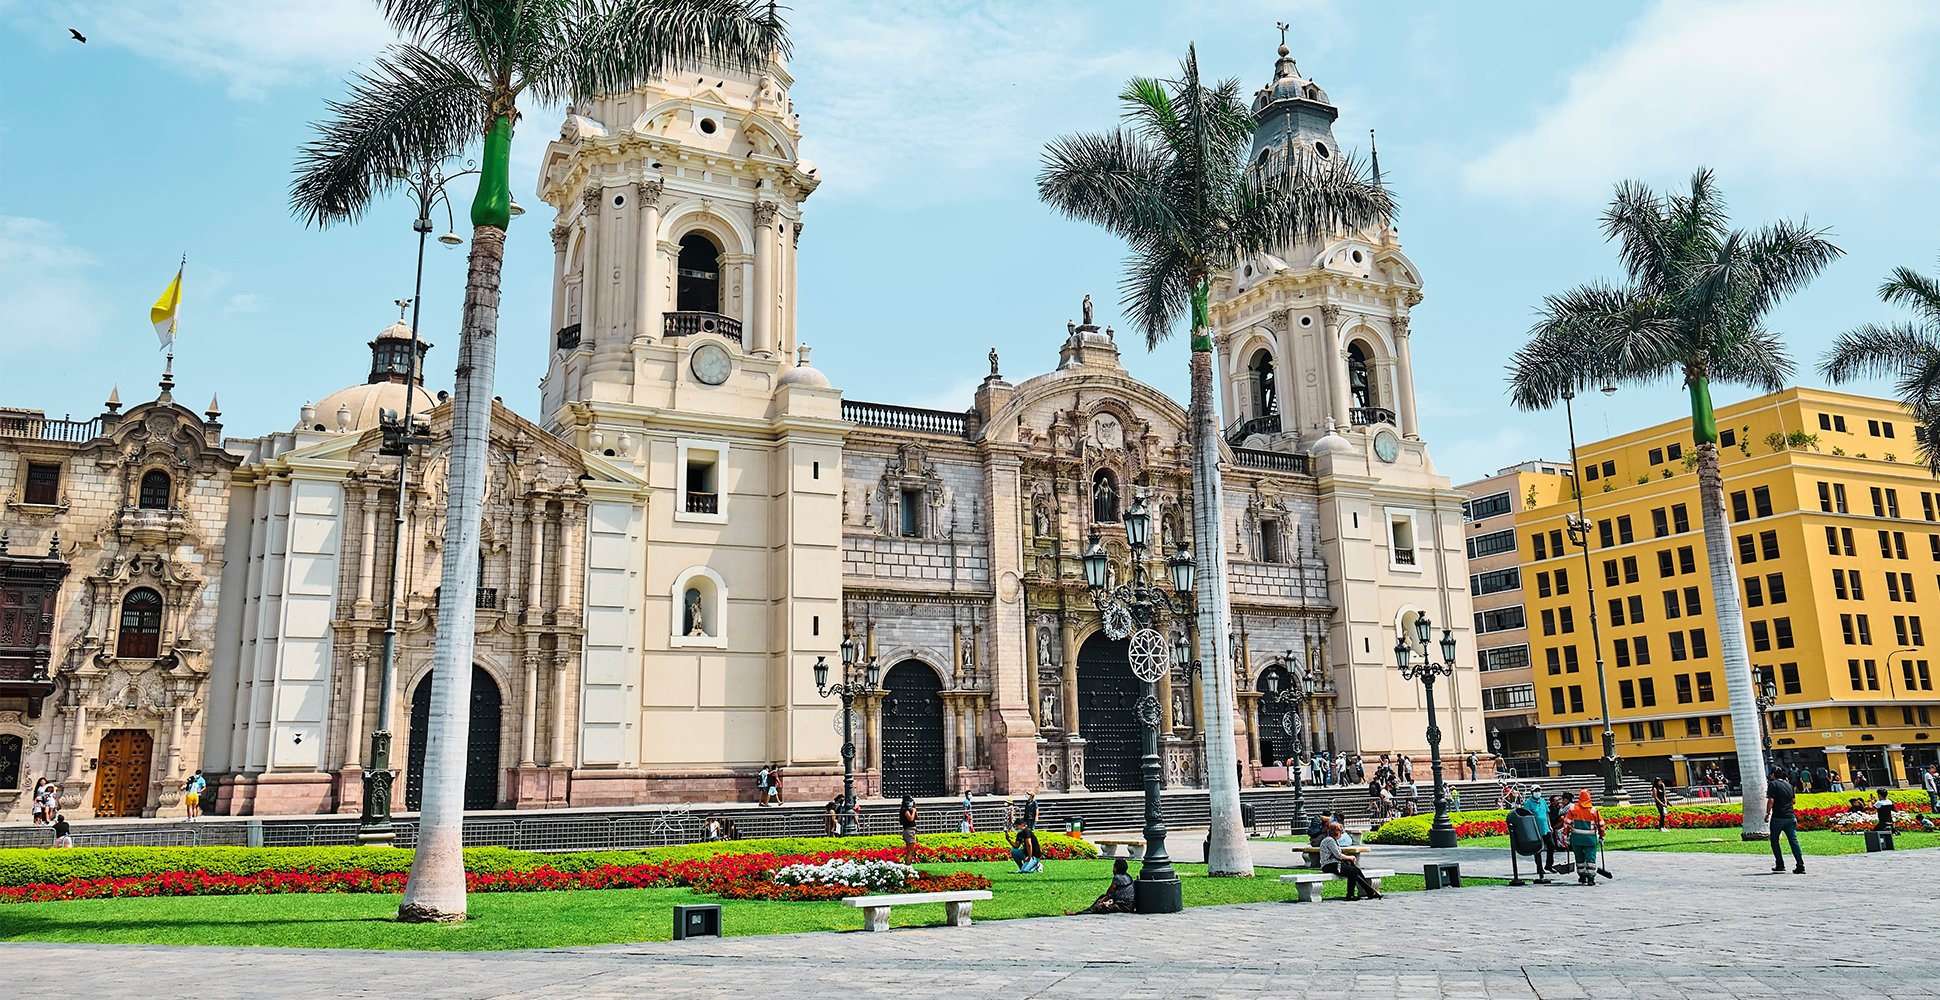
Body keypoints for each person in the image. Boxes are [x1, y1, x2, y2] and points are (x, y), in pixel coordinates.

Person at [1318, 821, 1382, 900]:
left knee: (1356, 870)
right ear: (1337, 833)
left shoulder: (1331, 839)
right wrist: (1350, 857)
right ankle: (1350, 894)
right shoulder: (1329, 840)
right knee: (1353, 871)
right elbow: (1338, 855)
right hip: (1329, 865)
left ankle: (1370, 892)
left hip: (1335, 864)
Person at [1067, 857, 1137, 914]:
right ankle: (1088, 910)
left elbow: (1110, 891)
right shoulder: (1127, 876)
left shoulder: (1118, 877)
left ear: (1115, 868)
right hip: (1127, 903)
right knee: (1102, 897)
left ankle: (1078, 913)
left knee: (1099, 907)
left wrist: (1104, 899)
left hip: (1124, 906)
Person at [1766, 770, 1804, 874]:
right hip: (1790, 817)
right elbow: (1794, 801)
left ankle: (1780, 864)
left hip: (1778, 817)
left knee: (1774, 841)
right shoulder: (1789, 786)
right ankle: (1800, 865)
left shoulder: (1772, 784)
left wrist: (1767, 814)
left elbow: (1771, 800)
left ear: (1773, 775)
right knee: (1793, 841)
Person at [1563, 790, 1604, 885]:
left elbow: (1567, 823)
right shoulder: (1593, 810)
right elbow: (1601, 824)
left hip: (1576, 838)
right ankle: (1590, 878)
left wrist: (1566, 835)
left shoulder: (1573, 808)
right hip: (1590, 839)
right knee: (1591, 857)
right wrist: (1602, 836)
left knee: (1579, 857)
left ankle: (1582, 876)